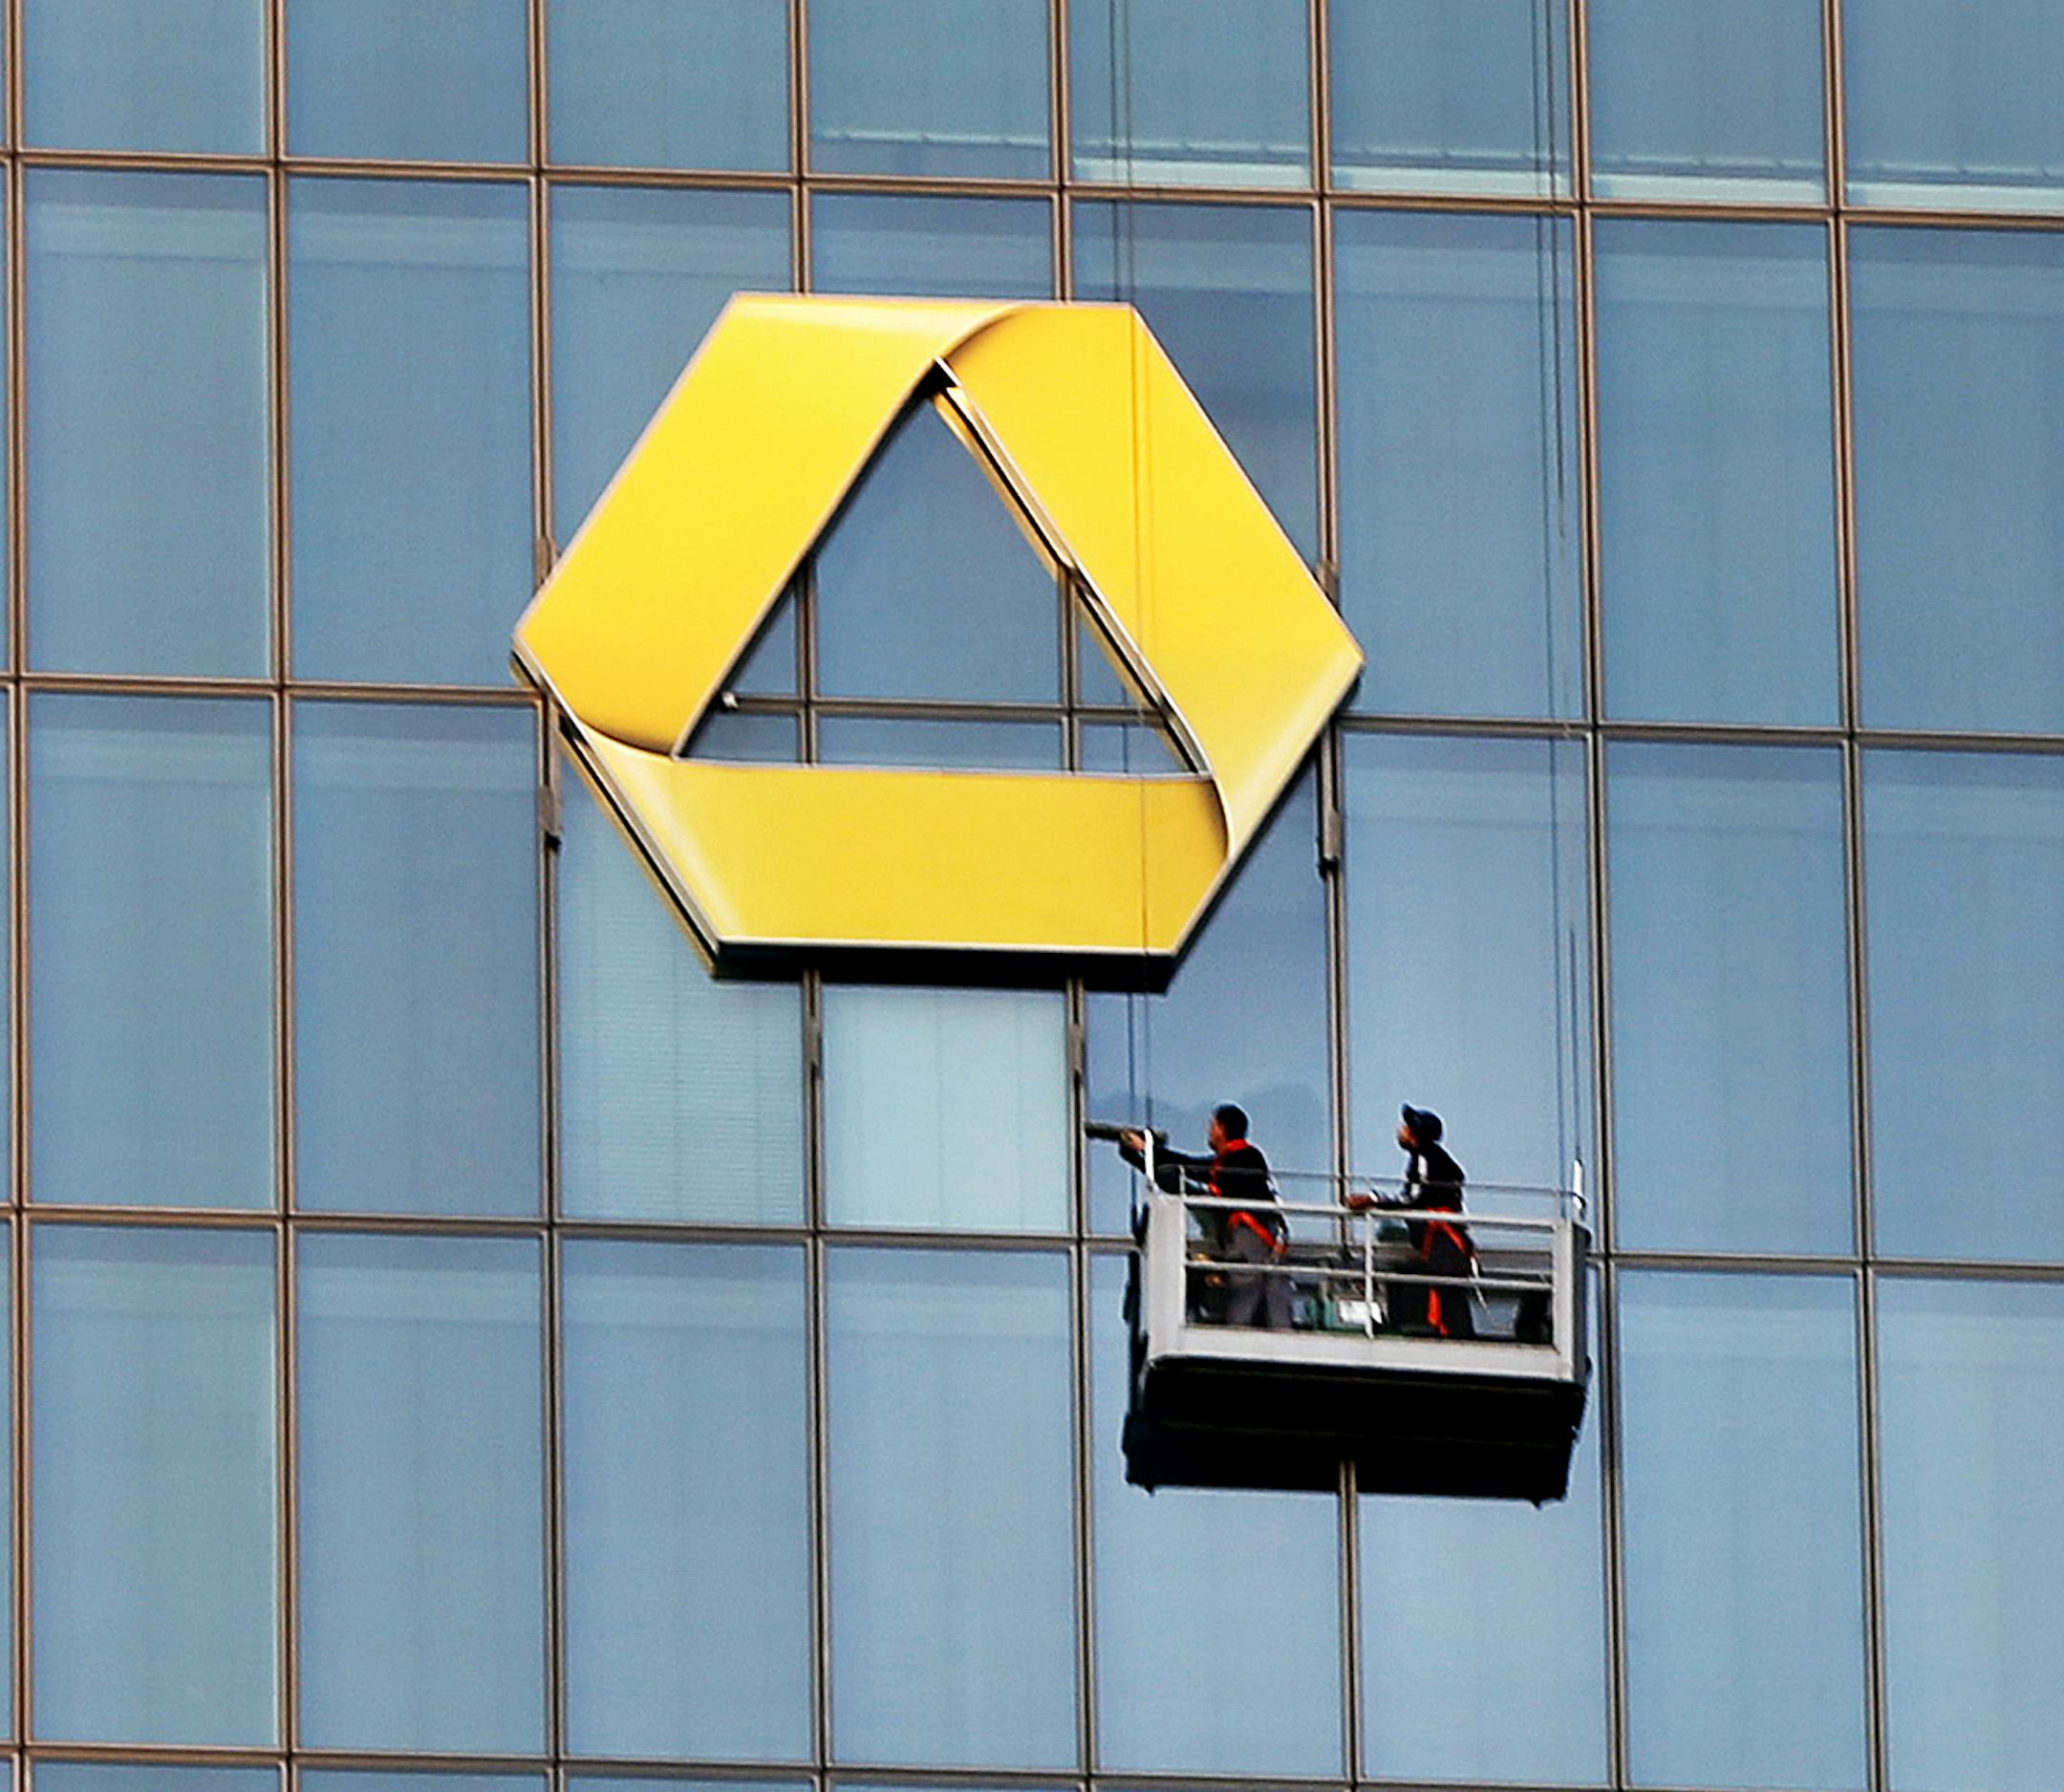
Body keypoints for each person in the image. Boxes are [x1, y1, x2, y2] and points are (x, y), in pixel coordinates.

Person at [1118, 1103, 1291, 1329]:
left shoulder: (1240, 1156)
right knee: (1270, 1295)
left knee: (1246, 1292)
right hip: (1262, 1236)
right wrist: (1148, 1156)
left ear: (1221, 1127)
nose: (1209, 1131)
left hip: (1251, 1236)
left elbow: (1193, 1167)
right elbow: (1194, 1168)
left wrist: (1147, 1149)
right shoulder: (1243, 1159)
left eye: (1212, 1125)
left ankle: (1238, 1340)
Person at [1390, 1104, 1475, 1339]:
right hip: (1444, 1239)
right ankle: (1458, 1337)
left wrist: (1373, 1200)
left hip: (1442, 1239)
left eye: (1406, 1127)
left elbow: (1413, 1198)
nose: (1400, 1131)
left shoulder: (1425, 1157)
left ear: (1416, 1134)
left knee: (1448, 1293)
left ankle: (1459, 1341)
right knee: (1448, 1293)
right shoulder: (1433, 1157)